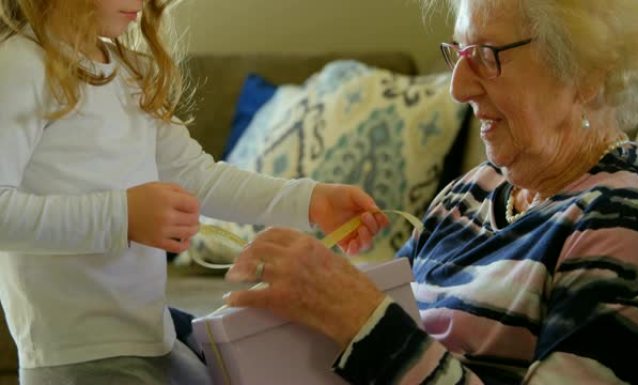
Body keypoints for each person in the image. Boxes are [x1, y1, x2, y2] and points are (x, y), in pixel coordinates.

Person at [225, 0, 638, 383]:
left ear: (586, 72)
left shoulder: (625, 226)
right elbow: (392, 322)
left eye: (487, 55)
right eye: (459, 54)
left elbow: (378, 329)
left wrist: (360, 317)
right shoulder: (471, 193)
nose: (459, 88)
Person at [0, 0, 388, 384]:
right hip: (80, 357)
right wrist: (122, 217)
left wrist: (309, 200)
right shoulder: (20, 64)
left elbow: (197, 176)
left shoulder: (131, 71)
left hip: (152, 338)